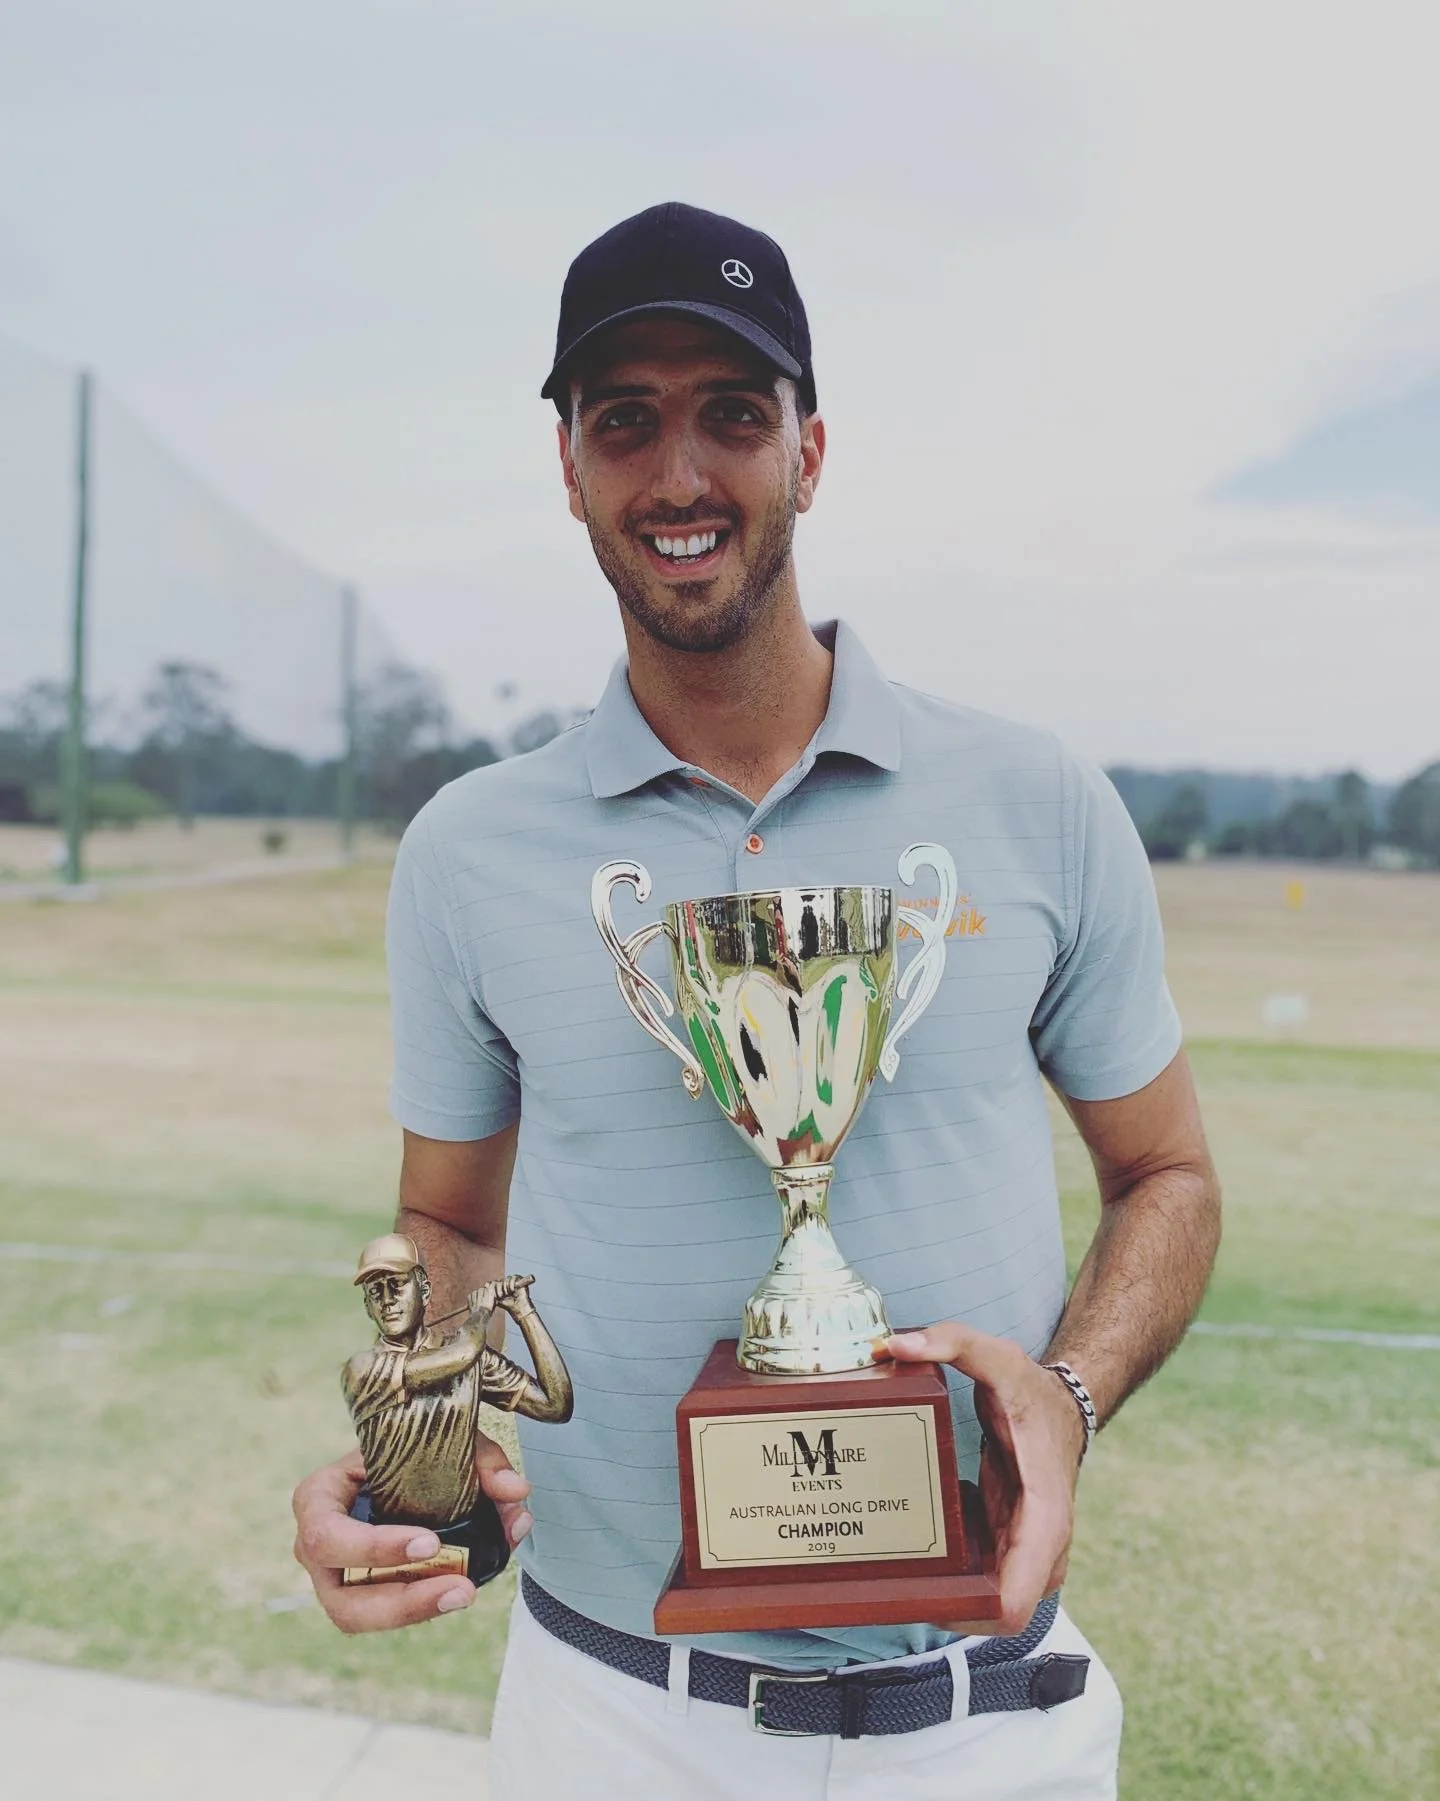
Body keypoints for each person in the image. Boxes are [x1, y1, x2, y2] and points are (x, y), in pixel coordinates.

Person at [293, 202, 1221, 1800]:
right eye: (623, 421)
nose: (678, 475)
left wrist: (1066, 1403)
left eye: (732, 413)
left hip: (982, 1716)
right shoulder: (470, 848)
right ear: (569, 468)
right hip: (614, 1718)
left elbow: (1171, 1174)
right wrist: (414, 1465)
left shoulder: (1036, 796)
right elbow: (446, 1221)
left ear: (811, 449)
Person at [343, 1237, 572, 1531]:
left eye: (397, 1285)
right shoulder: (362, 1368)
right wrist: (481, 1312)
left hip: (463, 1529)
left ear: (424, 1291)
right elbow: (463, 1354)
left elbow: (555, 1405)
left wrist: (524, 1312)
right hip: (386, 1529)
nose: (387, 1300)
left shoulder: (472, 1356)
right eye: (375, 1291)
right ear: (367, 1306)